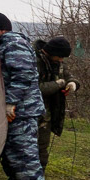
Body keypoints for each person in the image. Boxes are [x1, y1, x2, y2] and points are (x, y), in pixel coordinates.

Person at [0, 12, 48, 180]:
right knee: (13, 156)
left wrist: (10, 103)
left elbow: (24, 75)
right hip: (19, 111)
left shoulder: (12, 43)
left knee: (25, 155)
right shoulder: (5, 44)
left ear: (0, 28)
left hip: (23, 111)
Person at [33, 35, 78, 168]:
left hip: (48, 114)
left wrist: (72, 84)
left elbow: (70, 77)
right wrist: (58, 84)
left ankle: (39, 177)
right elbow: (36, 88)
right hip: (31, 112)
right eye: (60, 56)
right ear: (52, 52)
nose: (61, 60)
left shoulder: (58, 63)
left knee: (42, 148)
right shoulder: (34, 62)